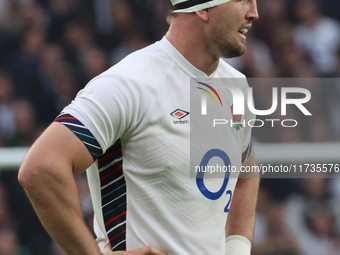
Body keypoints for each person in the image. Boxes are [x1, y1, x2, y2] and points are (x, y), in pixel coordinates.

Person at [18, 0, 259, 254]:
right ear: (202, 8)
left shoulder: (236, 85)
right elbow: (40, 168)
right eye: (243, 0)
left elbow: (245, 173)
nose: (254, 13)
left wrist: (237, 249)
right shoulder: (129, 83)